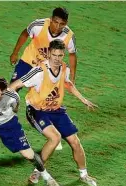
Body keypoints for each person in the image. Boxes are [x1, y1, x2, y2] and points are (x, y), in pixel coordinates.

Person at [9, 39, 98, 186]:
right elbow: (15, 85)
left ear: (63, 55)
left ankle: (84, 175)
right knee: (55, 138)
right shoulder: (39, 71)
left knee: (75, 142)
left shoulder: (64, 68)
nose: (57, 59)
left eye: (60, 55)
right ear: (49, 53)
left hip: (56, 110)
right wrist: (6, 101)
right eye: (54, 55)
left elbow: (68, 84)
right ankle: (38, 171)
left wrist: (83, 99)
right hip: (37, 110)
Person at [10, 7, 77, 151]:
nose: (57, 26)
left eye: (62, 24)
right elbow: (24, 33)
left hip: (48, 70)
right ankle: (2, 119)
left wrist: (72, 76)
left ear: (66, 23)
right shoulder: (38, 25)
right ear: (51, 19)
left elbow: (72, 54)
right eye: (55, 22)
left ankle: (54, 135)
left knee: (48, 99)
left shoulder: (69, 36)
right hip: (28, 62)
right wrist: (15, 52)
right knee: (12, 90)